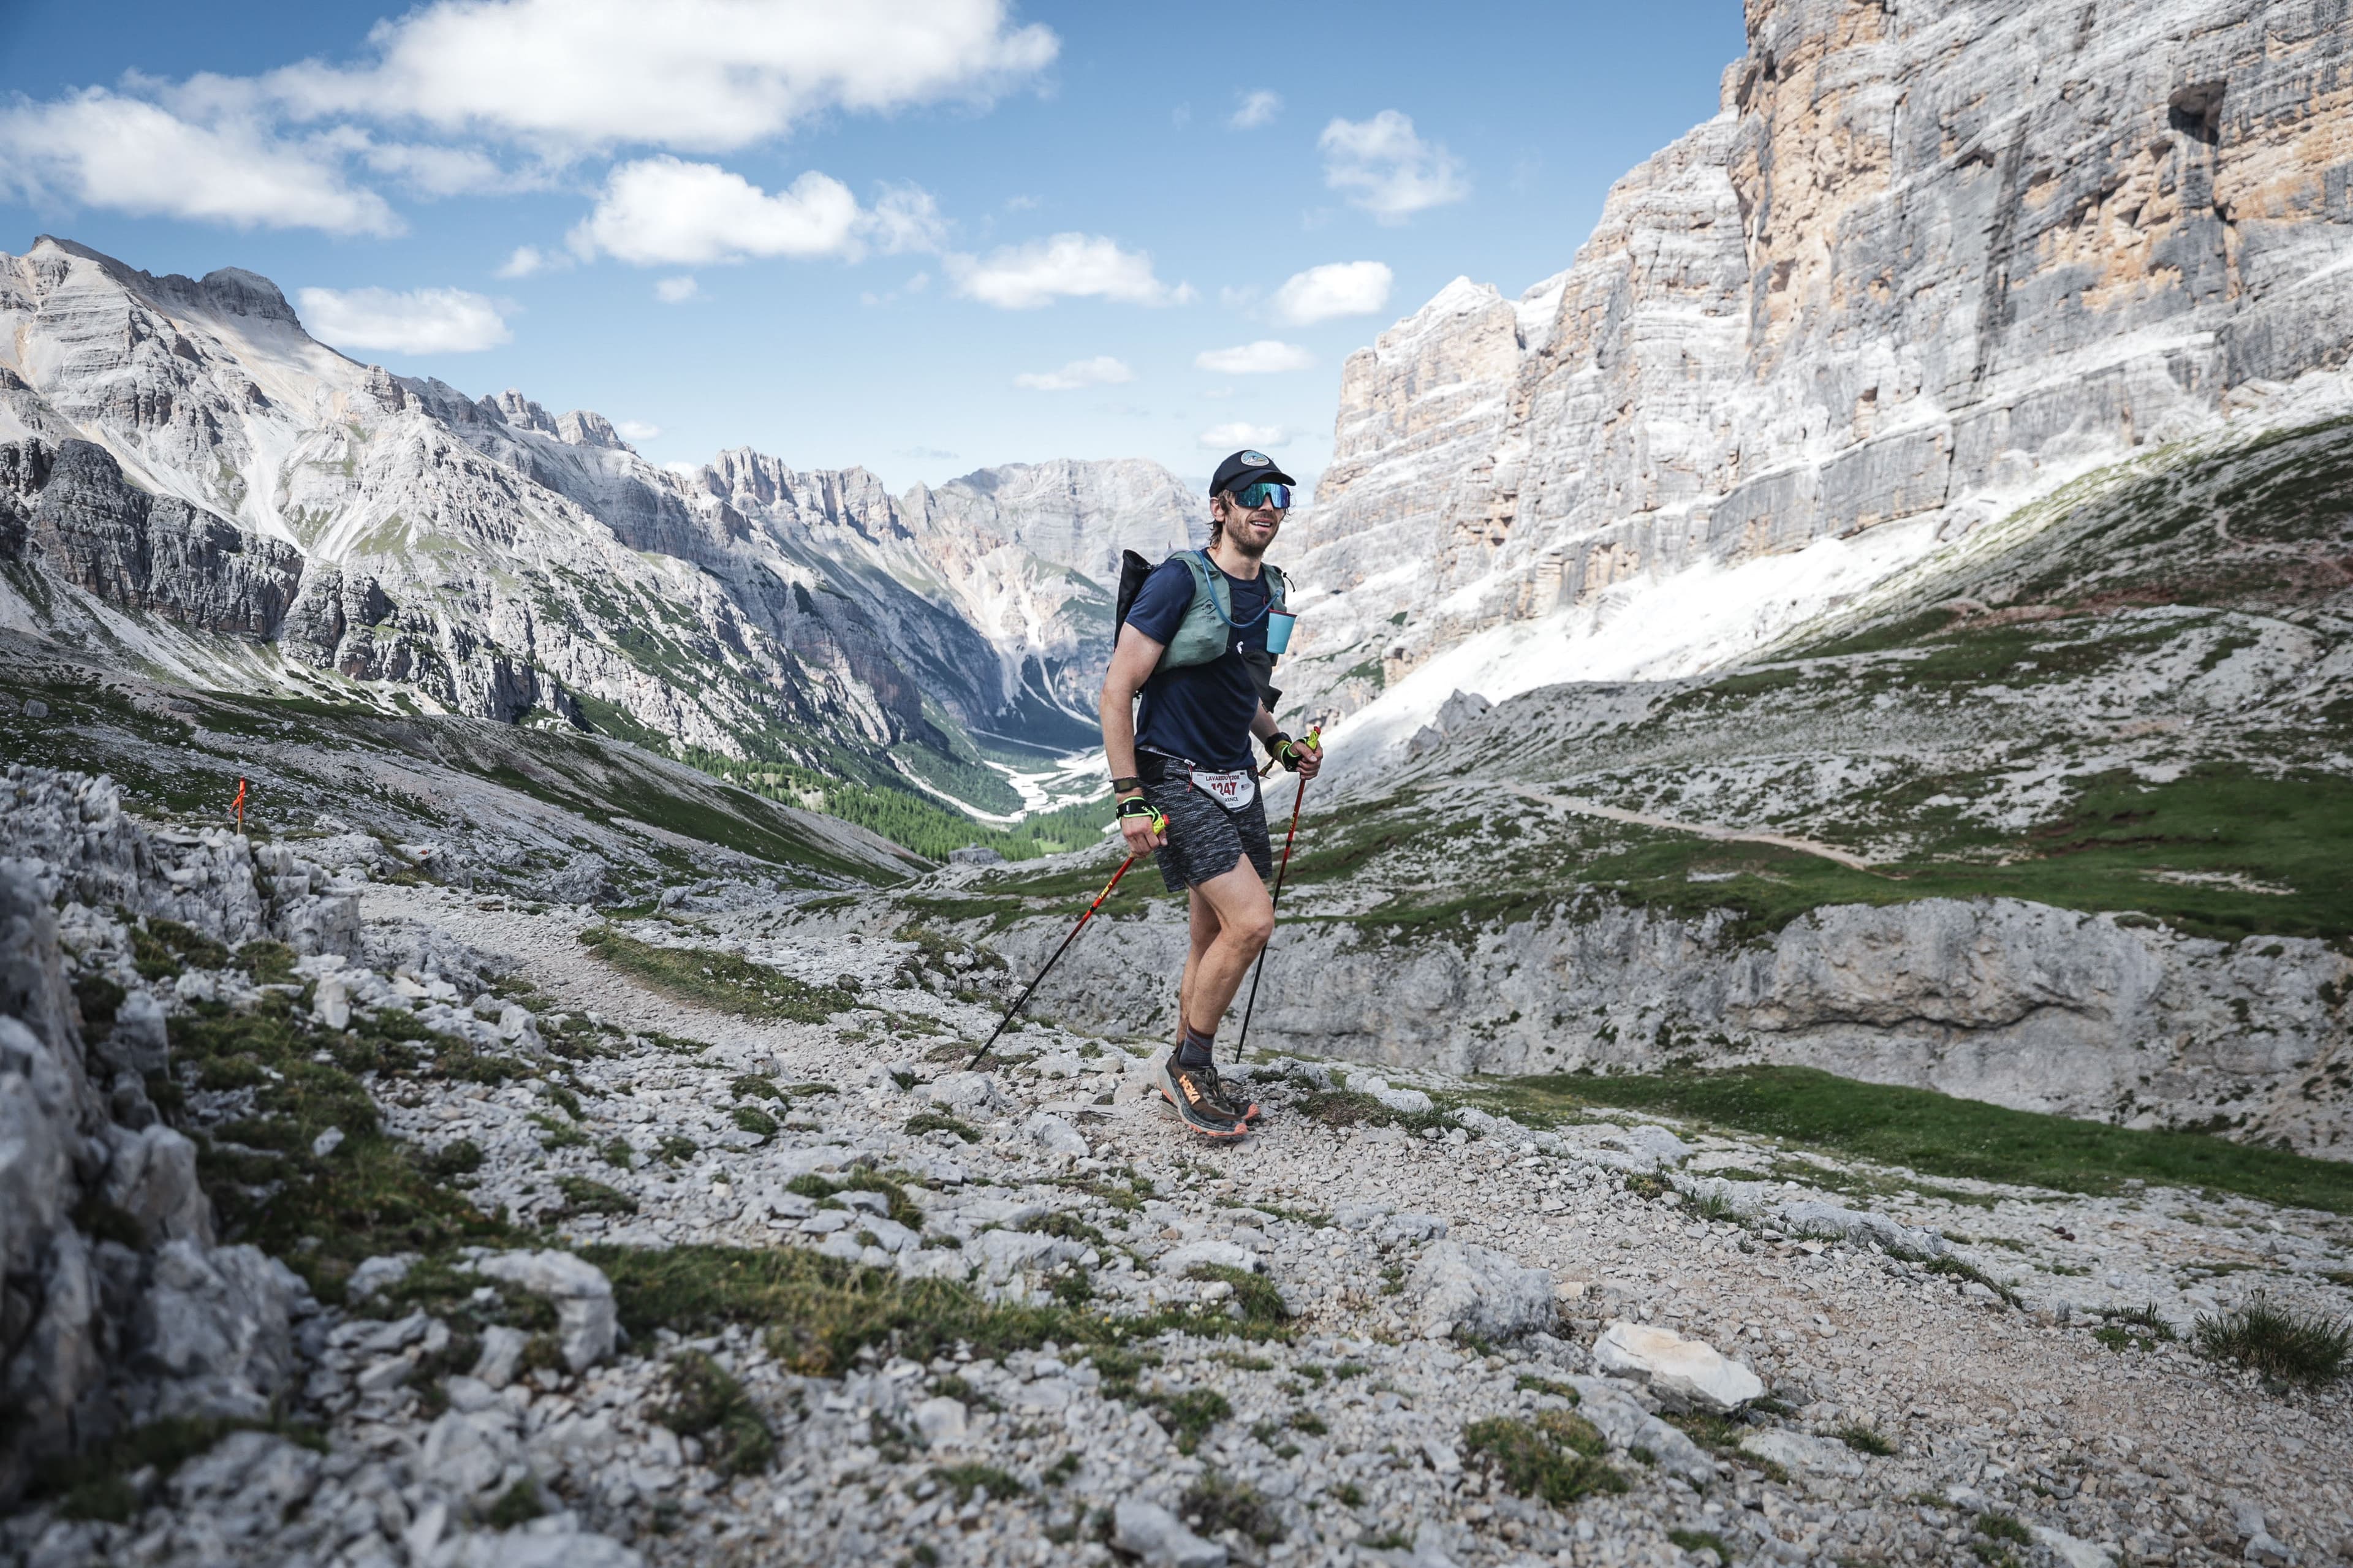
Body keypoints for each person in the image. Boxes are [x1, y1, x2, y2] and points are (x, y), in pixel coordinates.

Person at [1099, 450, 1324, 1139]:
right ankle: (1191, 1066)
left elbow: (1240, 689)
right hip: (1173, 774)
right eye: (1253, 495)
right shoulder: (1179, 580)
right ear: (1219, 507)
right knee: (1252, 922)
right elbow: (1118, 688)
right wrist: (1130, 796)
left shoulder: (1271, 587)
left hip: (1236, 779)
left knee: (1213, 934)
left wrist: (1279, 744)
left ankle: (1186, 1071)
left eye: (1280, 496)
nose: (1268, 508)